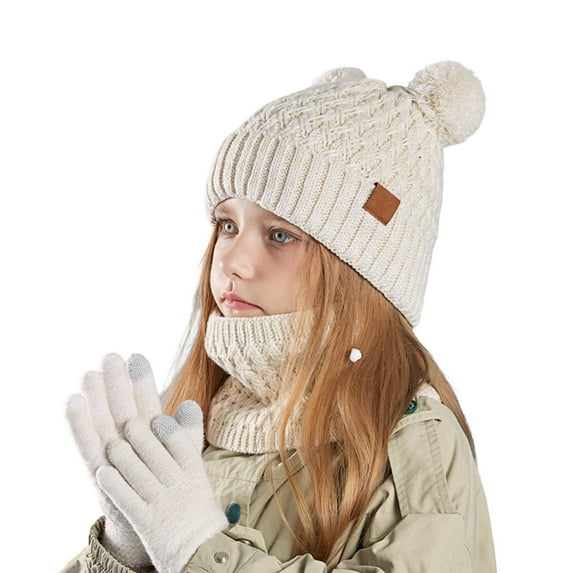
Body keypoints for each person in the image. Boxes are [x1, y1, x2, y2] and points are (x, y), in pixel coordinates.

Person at [63, 61, 496, 573]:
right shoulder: (195, 426)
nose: (232, 262)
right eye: (227, 225)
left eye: (280, 235)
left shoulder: (410, 443)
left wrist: (199, 550)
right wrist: (124, 552)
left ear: (361, 272)